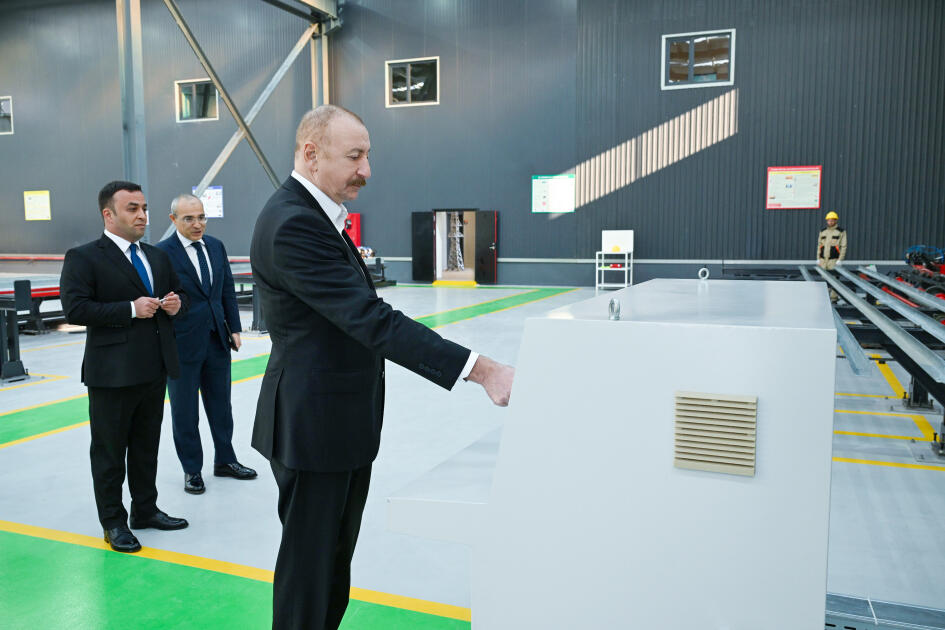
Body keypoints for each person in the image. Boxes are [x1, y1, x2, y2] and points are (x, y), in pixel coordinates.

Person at [250, 104, 515, 630]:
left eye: (367, 156)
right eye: (355, 156)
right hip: (313, 427)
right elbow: (369, 319)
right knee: (310, 573)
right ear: (311, 153)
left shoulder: (316, 216)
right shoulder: (293, 223)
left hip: (336, 423)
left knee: (331, 567)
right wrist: (481, 369)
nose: (366, 170)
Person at [60, 181, 190, 554]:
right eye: (132, 208)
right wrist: (130, 309)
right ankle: (113, 522)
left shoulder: (156, 256)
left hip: (154, 368)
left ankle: (145, 510)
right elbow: (76, 308)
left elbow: (180, 294)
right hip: (112, 374)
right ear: (109, 214)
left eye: (144, 208)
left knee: (146, 447)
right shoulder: (84, 257)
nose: (142, 215)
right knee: (110, 452)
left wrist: (177, 305)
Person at [156, 194, 257, 495]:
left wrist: (234, 328)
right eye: (189, 218)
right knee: (185, 411)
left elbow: (226, 289)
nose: (197, 224)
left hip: (216, 339)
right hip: (181, 343)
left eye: (201, 217)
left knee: (221, 405)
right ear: (173, 219)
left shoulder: (215, 246)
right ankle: (192, 469)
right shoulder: (162, 253)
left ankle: (225, 460)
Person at [817, 210, 847, 301]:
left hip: (833, 260)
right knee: (824, 279)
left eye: (832, 220)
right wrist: (818, 258)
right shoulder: (823, 231)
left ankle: (833, 299)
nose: (830, 222)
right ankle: (824, 298)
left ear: (835, 220)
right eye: (829, 220)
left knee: (834, 280)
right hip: (823, 260)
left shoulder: (840, 232)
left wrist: (840, 259)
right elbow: (819, 245)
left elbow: (844, 246)